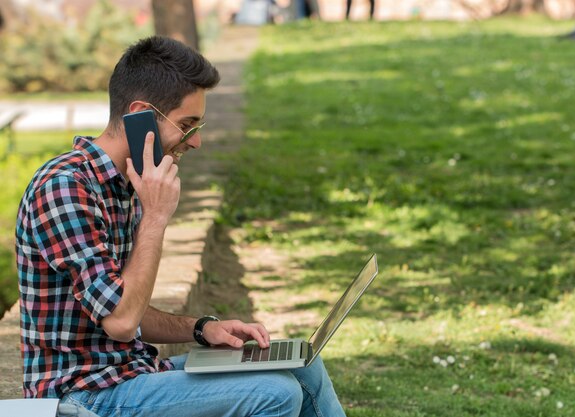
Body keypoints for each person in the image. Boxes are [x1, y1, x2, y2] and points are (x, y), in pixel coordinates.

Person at [15, 36, 346, 417]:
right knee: (274, 393)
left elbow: (124, 307)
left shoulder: (129, 183)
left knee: (304, 367)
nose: (198, 142)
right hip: (82, 397)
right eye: (187, 125)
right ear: (140, 115)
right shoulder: (64, 188)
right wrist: (155, 218)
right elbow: (122, 321)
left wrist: (202, 328)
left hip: (130, 375)